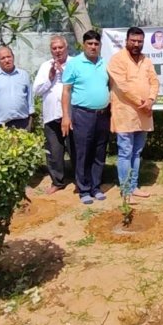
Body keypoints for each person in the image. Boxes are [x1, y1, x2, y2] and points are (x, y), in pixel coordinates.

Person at [108, 27, 159, 202]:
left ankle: (134, 186)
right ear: (126, 41)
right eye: (133, 41)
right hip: (125, 113)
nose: (136, 44)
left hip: (144, 113)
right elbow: (123, 87)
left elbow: (154, 81)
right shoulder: (117, 60)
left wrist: (151, 99)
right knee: (125, 152)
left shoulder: (146, 60)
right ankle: (125, 189)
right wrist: (142, 103)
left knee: (137, 152)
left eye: (139, 41)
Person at [62, 30, 111, 205]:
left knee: (99, 152)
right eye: (89, 44)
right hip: (82, 114)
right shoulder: (74, 64)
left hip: (103, 115)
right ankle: (83, 189)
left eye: (96, 44)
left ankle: (96, 187)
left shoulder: (105, 63)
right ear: (83, 45)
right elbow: (66, 91)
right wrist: (66, 117)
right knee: (82, 152)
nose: (93, 47)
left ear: (100, 46)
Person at [33, 35, 74, 194]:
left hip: (70, 115)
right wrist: (50, 78)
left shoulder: (75, 64)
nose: (57, 51)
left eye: (60, 48)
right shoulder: (45, 66)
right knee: (53, 152)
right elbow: (36, 91)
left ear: (66, 48)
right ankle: (58, 181)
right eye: (54, 48)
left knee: (75, 149)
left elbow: (78, 87)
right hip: (51, 115)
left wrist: (64, 74)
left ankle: (80, 180)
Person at [0, 46, 34, 130]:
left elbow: (30, 101)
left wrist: (31, 123)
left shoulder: (24, 75)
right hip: (0, 126)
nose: (7, 60)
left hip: (23, 124)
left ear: (13, 57)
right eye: (2, 58)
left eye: (8, 57)